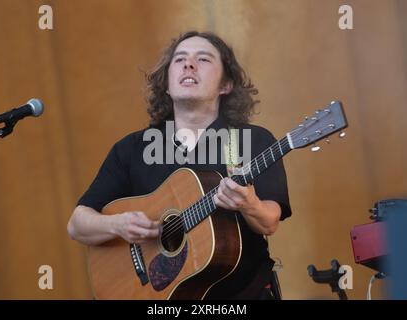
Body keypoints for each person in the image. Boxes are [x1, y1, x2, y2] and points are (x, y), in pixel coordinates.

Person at [67, 31, 292, 300]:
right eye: (180, 59)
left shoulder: (251, 140)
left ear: (226, 84)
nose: (189, 65)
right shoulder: (132, 149)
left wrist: (249, 204)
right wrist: (119, 225)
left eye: (204, 59)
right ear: (166, 84)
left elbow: (269, 223)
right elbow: (77, 224)